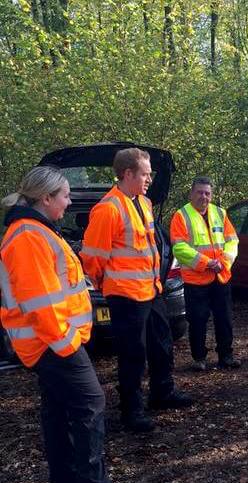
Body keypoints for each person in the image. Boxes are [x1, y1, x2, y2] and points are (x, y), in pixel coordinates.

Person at [0, 166, 129, 483]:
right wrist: (67, 341)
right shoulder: (28, 236)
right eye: (66, 196)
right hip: (52, 343)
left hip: (50, 342)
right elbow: (39, 303)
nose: (70, 202)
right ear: (45, 198)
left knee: (58, 410)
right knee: (90, 403)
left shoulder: (37, 231)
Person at [81, 148, 192, 434]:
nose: (150, 179)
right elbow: (93, 258)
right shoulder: (108, 209)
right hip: (126, 295)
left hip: (151, 290)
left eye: (150, 173)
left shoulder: (143, 202)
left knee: (162, 343)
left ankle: (162, 393)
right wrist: (109, 286)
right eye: (145, 173)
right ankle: (132, 410)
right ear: (127, 174)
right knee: (133, 354)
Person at [170, 176, 240, 371]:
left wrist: (224, 261)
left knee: (224, 318)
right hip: (196, 279)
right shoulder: (181, 216)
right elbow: (179, 248)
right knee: (198, 320)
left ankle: (226, 355)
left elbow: (232, 240)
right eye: (200, 192)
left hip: (221, 276)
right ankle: (199, 358)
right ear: (191, 193)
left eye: (207, 193)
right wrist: (207, 263)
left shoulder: (220, 213)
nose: (204, 196)